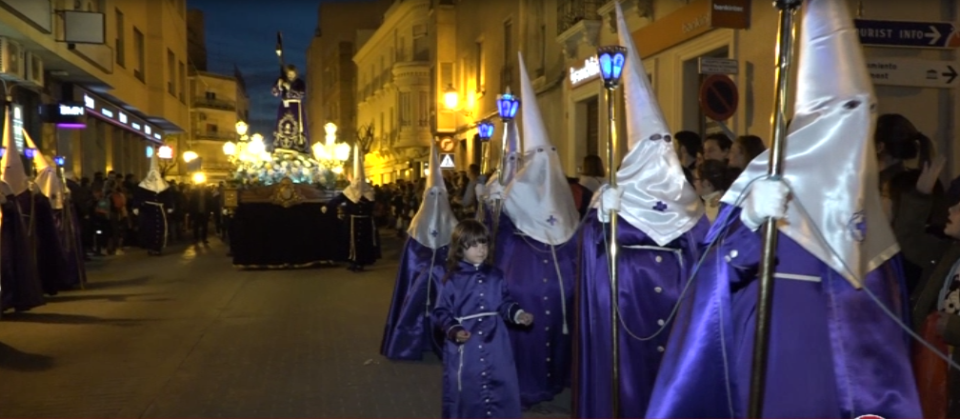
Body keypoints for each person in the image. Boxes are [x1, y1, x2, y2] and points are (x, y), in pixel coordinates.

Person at [646, 1, 921, 417]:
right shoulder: (762, 182)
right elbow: (713, 280)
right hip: (773, 350)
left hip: (841, 377)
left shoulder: (868, 218)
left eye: (864, 111)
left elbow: (887, 320)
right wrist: (751, 222)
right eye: (844, 111)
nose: (855, 126)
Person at [575, 4, 708, 418]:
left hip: (674, 307)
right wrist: (599, 221)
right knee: (627, 380)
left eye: (664, 144)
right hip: (624, 304)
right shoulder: (611, 196)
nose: (659, 153)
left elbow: (703, 252)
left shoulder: (687, 199)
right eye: (650, 145)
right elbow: (588, 254)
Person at [432, 219, 533, 419]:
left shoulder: (496, 275)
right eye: (474, 245)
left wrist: (518, 314)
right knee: (468, 385)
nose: (481, 250)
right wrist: (454, 330)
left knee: (500, 380)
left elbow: (504, 302)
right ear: (460, 248)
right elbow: (441, 312)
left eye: (484, 244)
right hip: (466, 343)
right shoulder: (451, 278)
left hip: (496, 341)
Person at [380, 142, 457, 360]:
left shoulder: (452, 223)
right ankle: (409, 342)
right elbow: (410, 261)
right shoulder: (416, 226)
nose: (435, 200)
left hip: (443, 282)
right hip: (419, 280)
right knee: (414, 303)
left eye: (439, 195)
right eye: (431, 195)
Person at [327, 146, 380, 272]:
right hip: (352, 222)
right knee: (351, 242)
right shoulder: (350, 191)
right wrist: (326, 205)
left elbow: (373, 204)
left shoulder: (369, 191)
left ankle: (361, 261)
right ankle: (353, 261)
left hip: (365, 222)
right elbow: (338, 199)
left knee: (364, 242)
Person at [134, 153, 174, 255]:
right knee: (149, 229)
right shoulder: (143, 185)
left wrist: (169, 206)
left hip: (160, 210)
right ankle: (150, 247)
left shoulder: (164, 185)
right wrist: (136, 206)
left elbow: (168, 196)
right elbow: (138, 196)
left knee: (160, 228)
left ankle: (158, 247)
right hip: (148, 210)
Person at [272, 64, 310, 154]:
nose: (290, 76)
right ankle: (281, 144)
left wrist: (290, 88)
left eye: (292, 74)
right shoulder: (282, 80)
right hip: (284, 106)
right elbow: (275, 93)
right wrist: (279, 85)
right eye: (289, 74)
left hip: (296, 106)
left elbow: (301, 94)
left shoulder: (300, 82)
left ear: (296, 74)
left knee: (296, 125)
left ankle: (297, 145)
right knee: (282, 123)